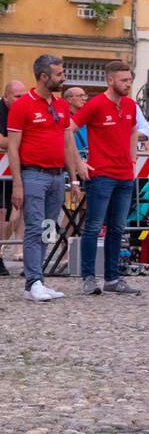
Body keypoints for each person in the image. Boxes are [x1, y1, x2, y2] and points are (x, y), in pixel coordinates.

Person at [6, 55, 86, 301]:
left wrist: (73, 179)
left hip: (55, 176)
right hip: (33, 174)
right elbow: (13, 147)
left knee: (47, 229)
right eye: (59, 74)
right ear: (44, 77)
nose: (63, 78)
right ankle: (33, 281)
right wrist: (17, 183)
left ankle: (38, 279)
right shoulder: (22, 106)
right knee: (34, 228)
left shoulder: (61, 106)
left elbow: (67, 144)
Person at [72, 61, 143, 295]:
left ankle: (112, 278)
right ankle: (88, 277)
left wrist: (132, 159)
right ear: (110, 80)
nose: (128, 84)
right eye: (124, 80)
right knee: (93, 226)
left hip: (124, 175)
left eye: (130, 80)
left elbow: (133, 130)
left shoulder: (131, 105)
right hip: (101, 174)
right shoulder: (95, 105)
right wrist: (79, 162)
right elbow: (68, 129)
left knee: (117, 228)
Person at [0, 78, 29, 275]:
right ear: (6, 97)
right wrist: (20, 141)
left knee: (20, 208)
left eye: (23, 95)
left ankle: (18, 249)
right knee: (1, 212)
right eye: (17, 96)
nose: (22, 100)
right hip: (3, 168)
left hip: (17, 166)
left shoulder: (26, 110)